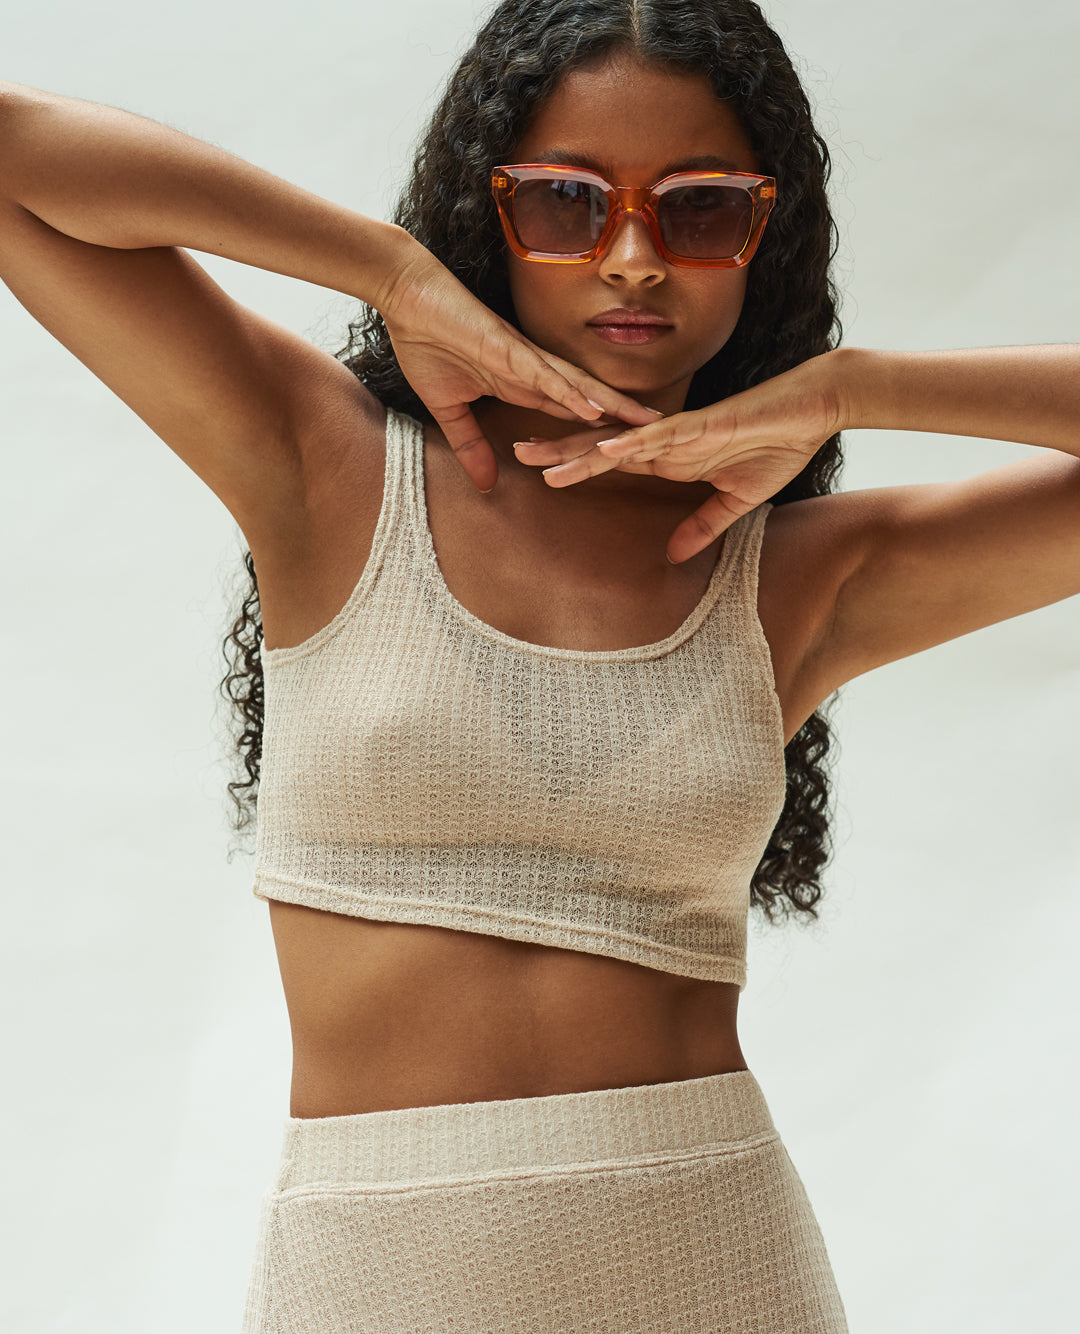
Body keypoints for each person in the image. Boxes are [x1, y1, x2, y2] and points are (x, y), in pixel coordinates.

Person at [2, 0, 1076, 1330]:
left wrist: (856, 387)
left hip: (716, 1266)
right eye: (566, 202)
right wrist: (391, 273)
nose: (633, 260)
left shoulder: (797, 578)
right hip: (379, 1282)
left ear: (769, 236)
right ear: (487, 209)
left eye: (699, 211)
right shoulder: (325, 469)